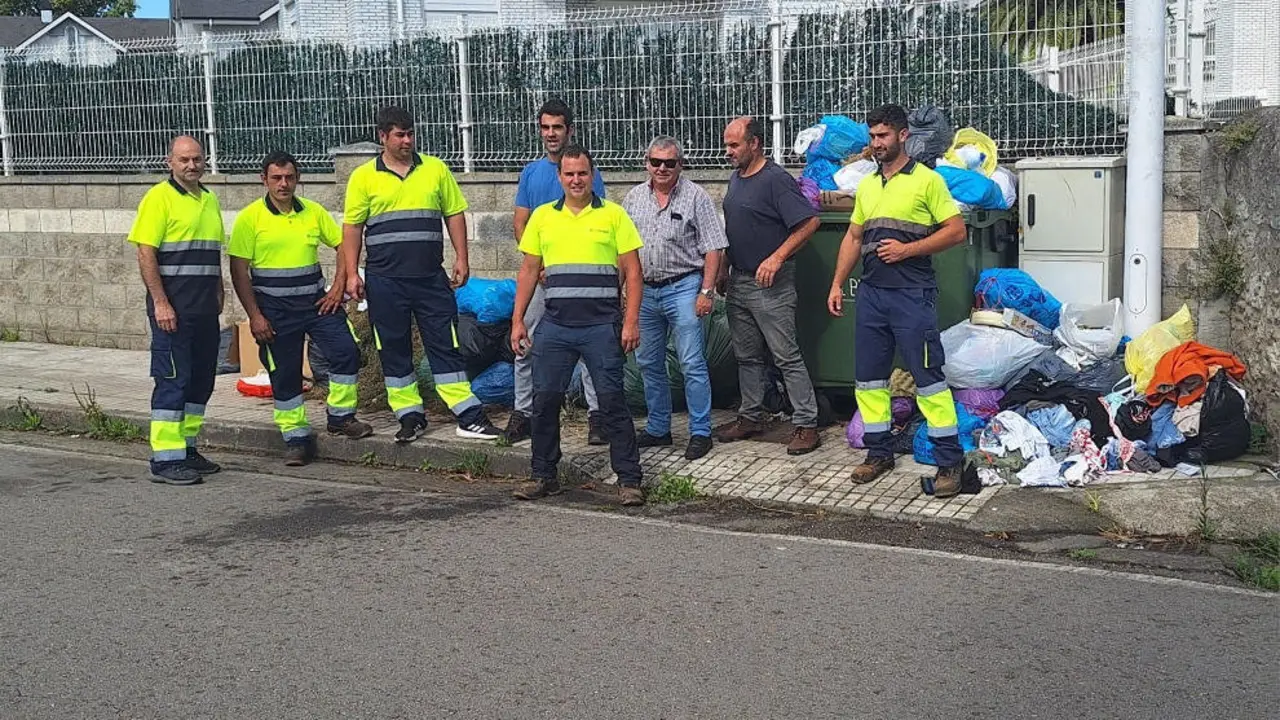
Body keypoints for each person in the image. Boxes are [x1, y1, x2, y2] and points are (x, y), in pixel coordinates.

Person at [827, 104, 967, 497]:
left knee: (929, 381)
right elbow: (854, 238)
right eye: (872, 137)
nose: (876, 144)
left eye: (883, 136)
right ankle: (878, 453)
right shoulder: (868, 186)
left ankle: (949, 463)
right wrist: (837, 283)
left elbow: (956, 233)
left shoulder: (928, 181)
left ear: (903, 135)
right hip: (872, 295)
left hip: (912, 295)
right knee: (869, 380)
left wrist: (909, 251)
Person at [341, 106, 501, 443]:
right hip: (385, 281)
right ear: (383, 136)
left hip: (430, 278)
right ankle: (410, 416)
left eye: (410, 133)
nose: (407, 140)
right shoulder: (363, 177)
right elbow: (352, 228)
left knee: (447, 344)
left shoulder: (435, 170)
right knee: (394, 348)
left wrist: (462, 257)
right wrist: (352, 274)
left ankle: (468, 415)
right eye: (399, 134)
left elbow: (454, 213)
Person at [509, 146, 645, 506]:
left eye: (582, 173)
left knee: (612, 401)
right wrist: (517, 320)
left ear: (592, 174)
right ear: (560, 177)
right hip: (555, 326)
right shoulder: (541, 218)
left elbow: (633, 272)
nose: (576, 180)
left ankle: (629, 480)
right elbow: (527, 271)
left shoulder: (614, 216)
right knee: (545, 400)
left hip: (601, 325)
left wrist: (630, 321)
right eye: (569, 174)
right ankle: (543, 475)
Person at [228, 151, 374, 466]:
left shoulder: (313, 211)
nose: (284, 184)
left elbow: (342, 245)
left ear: (298, 179)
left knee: (346, 352)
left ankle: (341, 417)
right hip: (274, 310)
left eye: (289, 177)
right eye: (277, 178)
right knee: (285, 373)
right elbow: (239, 271)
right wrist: (255, 316)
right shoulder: (250, 218)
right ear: (263, 179)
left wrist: (337, 287)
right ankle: (295, 437)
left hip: (316, 304)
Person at [505, 98, 609, 447]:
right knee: (526, 343)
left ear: (570, 130)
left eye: (557, 127)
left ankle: (597, 417)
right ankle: (523, 413)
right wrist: (542, 265)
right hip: (542, 278)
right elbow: (521, 223)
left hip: (579, 281)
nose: (551, 134)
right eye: (545, 127)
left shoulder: (588, 172)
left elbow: (599, 218)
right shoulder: (531, 173)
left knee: (591, 348)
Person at [715, 116, 822, 455]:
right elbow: (733, 229)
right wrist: (723, 269)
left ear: (754, 143)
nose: (728, 151)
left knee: (785, 355)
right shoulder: (736, 179)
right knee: (746, 356)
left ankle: (806, 423)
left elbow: (809, 222)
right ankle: (750, 416)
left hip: (771, 285)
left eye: (734, 145)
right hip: (739, 281)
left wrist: (776, 258)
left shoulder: (775, 180)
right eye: (727, 144)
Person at [621, 135, 727, 461]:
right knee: (649, 363)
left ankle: (700, 432)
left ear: (680, 164)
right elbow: (624, 251)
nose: (662, 168)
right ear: (646, 163)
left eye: (669, 162)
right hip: (646, 290)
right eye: (656, 162)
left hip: (684, 286)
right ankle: (658, 428)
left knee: (692, 362)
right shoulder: (633, 199)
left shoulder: (696, 197)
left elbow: (714, 247)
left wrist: (706, 292)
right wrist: (622, 291)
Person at [128, 135, 225, 485]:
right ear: (170, 162)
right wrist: (161, 302)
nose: (191, 165)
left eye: (197, 159)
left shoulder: (210, 200)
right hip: (173, 311)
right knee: (173, 381)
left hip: (204, 311)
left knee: (201, 382)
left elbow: (211, 253)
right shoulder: (159, 198)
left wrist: (219, 290)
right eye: (183, 159)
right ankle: (166, 460)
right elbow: (145, 253)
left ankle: (186, 449)